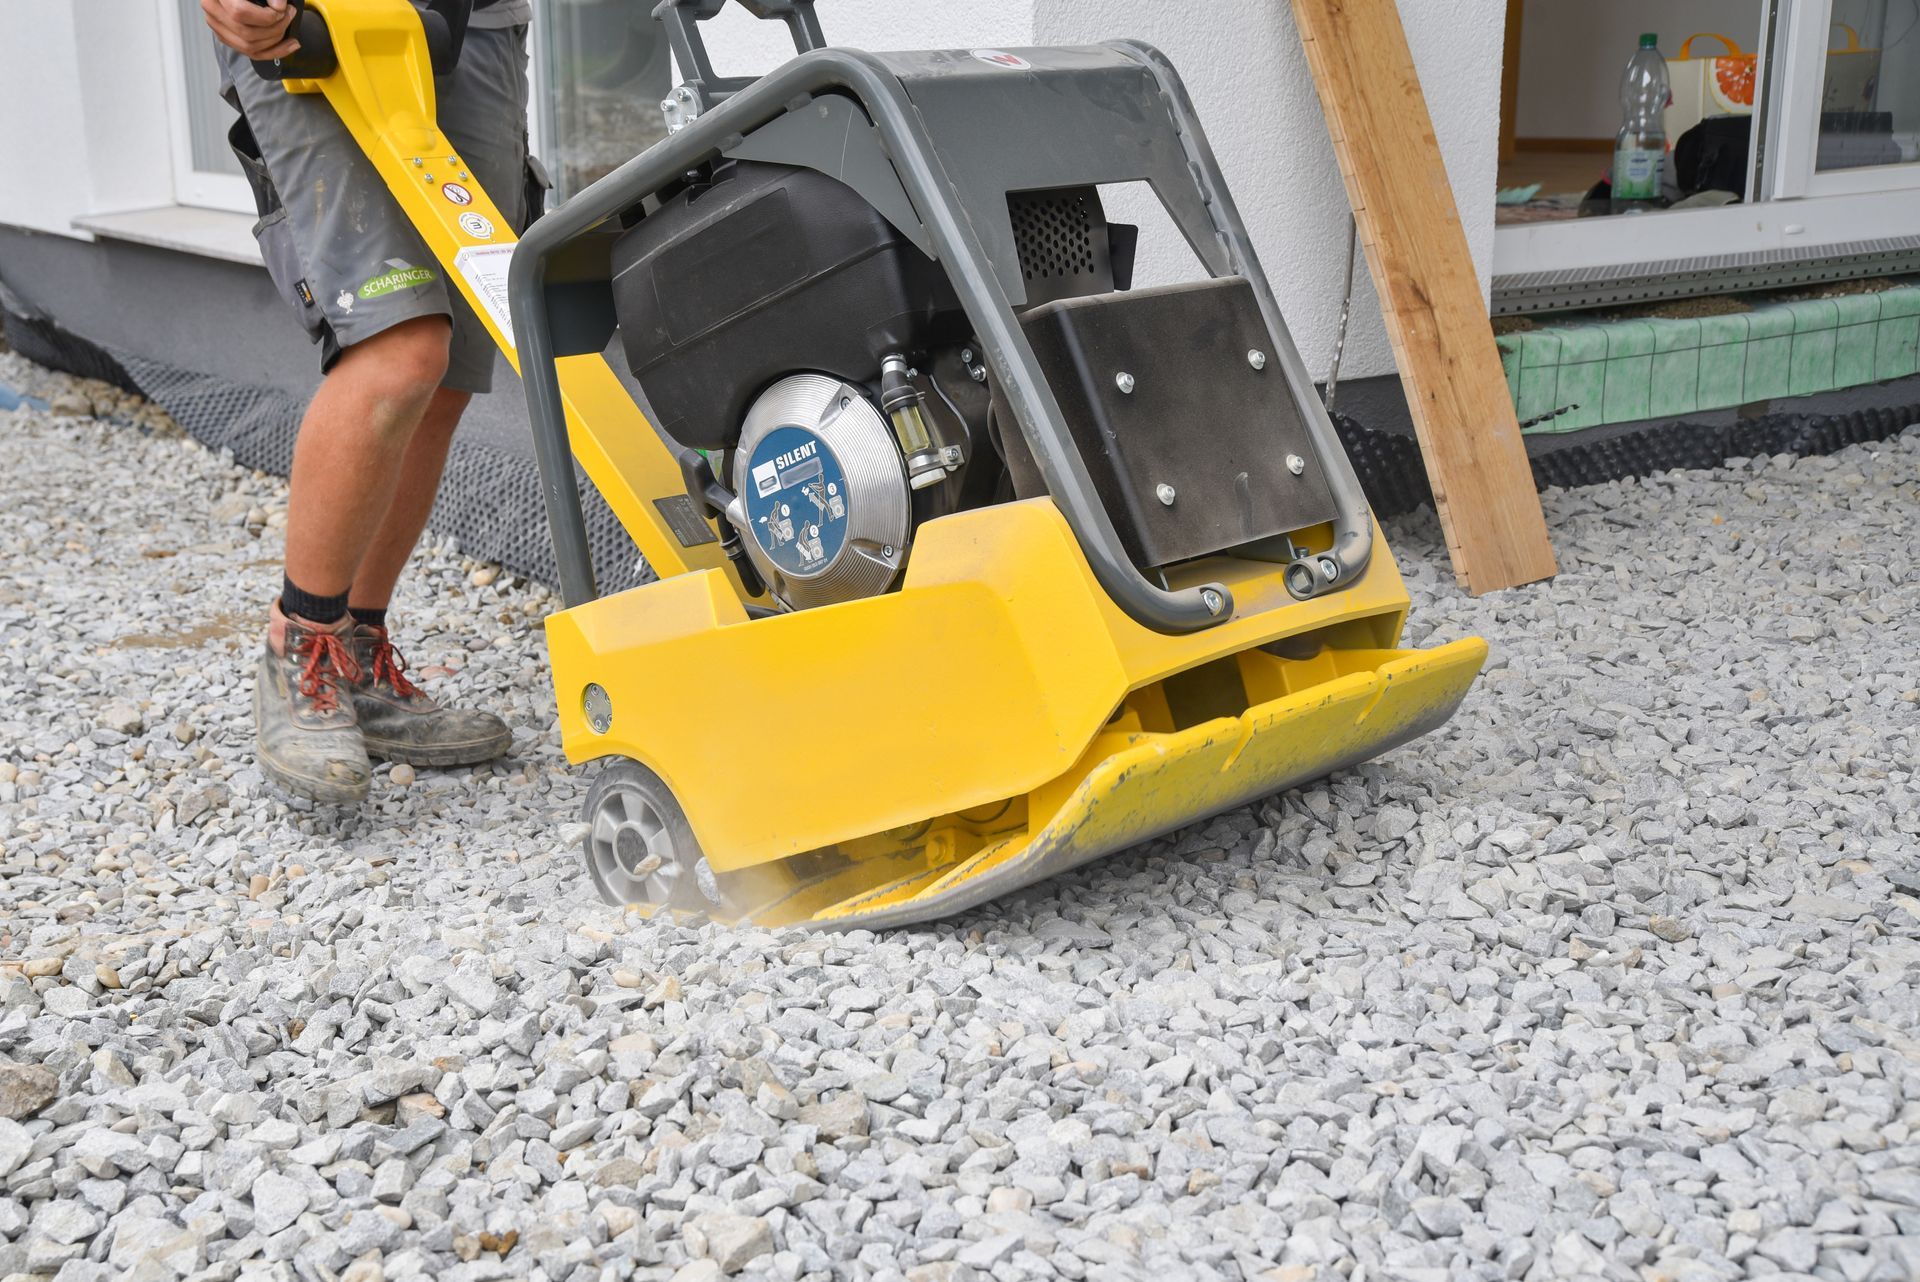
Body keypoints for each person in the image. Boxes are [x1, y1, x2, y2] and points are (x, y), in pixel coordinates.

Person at [203, 0, 531, 804]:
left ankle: (356, 650)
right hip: (307, 23)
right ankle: (301, 647)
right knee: (401, 347)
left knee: (449, 368)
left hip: (472, 24)